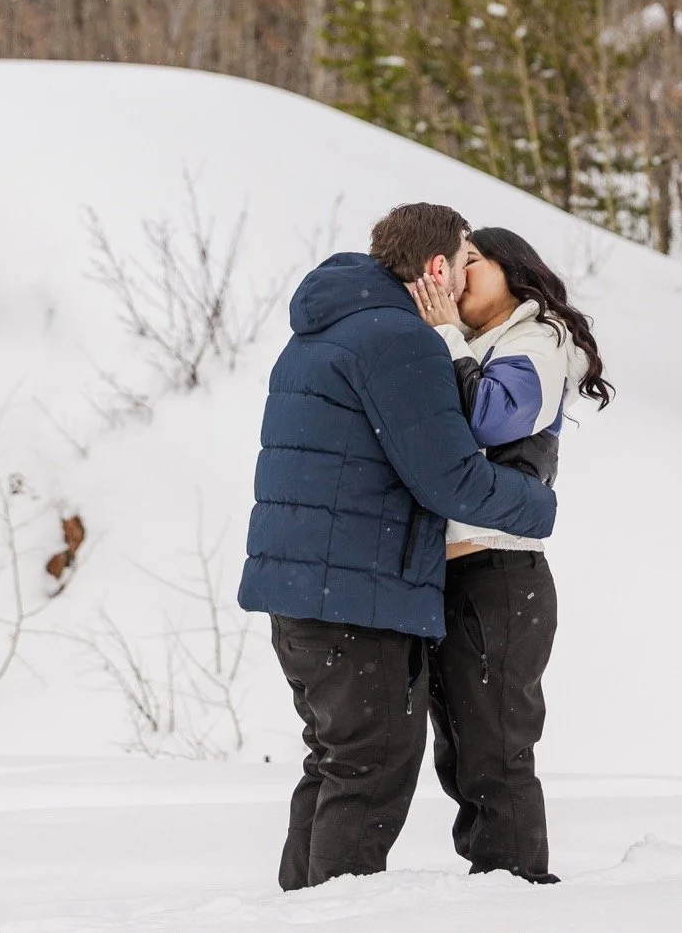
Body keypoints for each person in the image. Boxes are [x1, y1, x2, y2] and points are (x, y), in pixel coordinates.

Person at [239, 203, 558, 891]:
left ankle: (299, 911)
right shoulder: (400, 339)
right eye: (465, 259)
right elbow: (451, 479)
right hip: (357, 596)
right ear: (438, 267)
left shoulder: (327, 326)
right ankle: (334, 913)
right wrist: (538, 505)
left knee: (335, 761)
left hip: (302, 589)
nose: (467, 276)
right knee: (371, 765)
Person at [410, 224, 613, 885]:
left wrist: (445, 336)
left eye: (471, 260)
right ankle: (493, 885)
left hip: (501, 572)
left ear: (511, 269)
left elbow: (492, 416)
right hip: (454, 574)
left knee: (495, 747)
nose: (456, 275)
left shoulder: (538, 340)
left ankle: (520, 889)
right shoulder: (472, 345)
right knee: (461, 752)